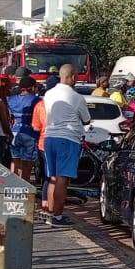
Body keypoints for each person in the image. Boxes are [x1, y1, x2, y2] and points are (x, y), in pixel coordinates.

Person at [41, 64, 91, 226]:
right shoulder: (76, 97)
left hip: (49, 137)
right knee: (63, 178)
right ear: (73, 77)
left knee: (53, 177)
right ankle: (58, 216)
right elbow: (86, 119)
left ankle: (50, 212)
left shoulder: (48, 94)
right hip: (68, 139)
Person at [7, 75, 41, 181]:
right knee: (27, 162)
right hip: (29, 133)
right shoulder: (36, 100)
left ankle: (13, 184)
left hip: (14, 132)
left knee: (15, 160)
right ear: (31, 87)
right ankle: (25, 186)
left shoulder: (11, 99)